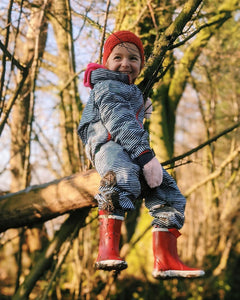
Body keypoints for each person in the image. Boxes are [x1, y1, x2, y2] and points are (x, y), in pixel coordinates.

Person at [78, 30, 204, 279]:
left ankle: (165, 259)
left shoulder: (129, 89)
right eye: (118, 57)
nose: (126, 63)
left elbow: (129, 118)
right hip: (107, 142)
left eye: (133, 58)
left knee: (168, 192)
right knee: (120, 175)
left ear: (141, 64)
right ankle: (107, 249)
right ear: (106, 62)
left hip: (127, 145)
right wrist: (146, 156)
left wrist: (139, 106)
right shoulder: (106, 85)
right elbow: (119, 121)